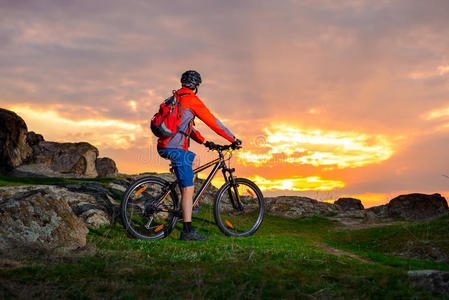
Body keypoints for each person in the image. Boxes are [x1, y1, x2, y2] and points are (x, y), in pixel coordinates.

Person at [157, 70, 241, 241]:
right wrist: (233, 139)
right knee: (188, 188)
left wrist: (204, 142)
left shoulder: (175, 99)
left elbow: (184, 127)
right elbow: (214, 123)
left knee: (192, 163)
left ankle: (186, 205)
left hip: (165, 145)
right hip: (175, 148)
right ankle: (187, 231)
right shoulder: (192, 100)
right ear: (196, 86)